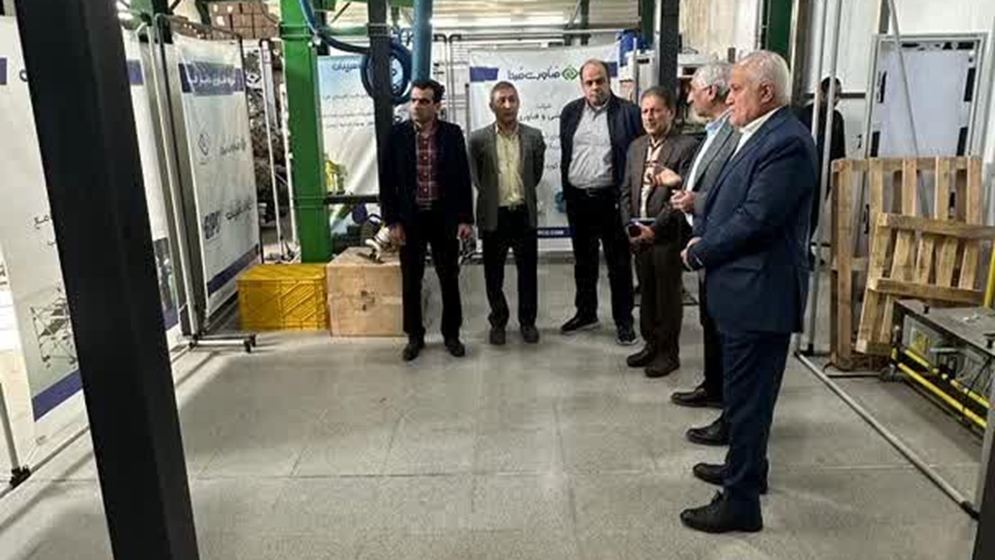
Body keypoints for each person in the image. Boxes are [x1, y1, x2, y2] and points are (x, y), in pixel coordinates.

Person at [680, 51, 817, 533]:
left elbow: (756, 219)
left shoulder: (787, 143)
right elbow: (733, 200)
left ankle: (739, 504)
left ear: (766, 92)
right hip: (745, 291)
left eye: (736, 88)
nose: (728, 96)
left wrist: (701, 251)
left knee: (750, 401)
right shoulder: (757, 133)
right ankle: (748, 471)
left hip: (761, 295)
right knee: (744, 399)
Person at [669, 62, 739, 445]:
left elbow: (733, 193)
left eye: (693, 89)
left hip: (720, 242)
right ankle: (713, 387)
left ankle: (728, 405)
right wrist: (686, 190)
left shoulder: (736, 133)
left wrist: (697, 201)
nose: (689, 96)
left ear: (710, 91)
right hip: (704, 239)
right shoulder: (713, 131)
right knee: (709, 323)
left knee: (724, 329)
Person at [381, 79, 474, 362]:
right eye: (414, 100)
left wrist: (465, 219)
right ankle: (414, 336)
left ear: (437, 105)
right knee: (411, 280)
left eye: (424, 101)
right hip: (410, 220)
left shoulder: (452, 134)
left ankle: (451, 334)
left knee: (449, 278)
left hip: (443, 217)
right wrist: (392, 221)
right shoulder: (396, 135)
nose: (417, 106)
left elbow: (462, 178)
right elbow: (387, 182)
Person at [559, 59, 643, 346]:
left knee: (619, 265)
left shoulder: (629, 113)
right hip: (578, 199)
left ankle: (624, 321)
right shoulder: (570, 112)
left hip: (612, 201)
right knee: (583, 263)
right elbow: (568, 154)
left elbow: (638, 157)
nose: (595, 87)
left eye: (600, 81)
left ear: (609, 81)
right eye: (589, 82)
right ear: (582, 85)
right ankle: (586, 313)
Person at [619, 86, 698, 378]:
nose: (649, 116)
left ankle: (668, 353)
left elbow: (681, 197)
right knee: (647, 294)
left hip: (666, 237)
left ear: (671, 113)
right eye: (645, 111)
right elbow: (625, 191)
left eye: (655, 110)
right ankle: (651, 345)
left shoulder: (686, 147)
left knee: (667, 297)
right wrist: (629, 227)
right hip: (638, 235)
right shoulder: (636, 146)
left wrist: (653, 230)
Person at [468, 81, 547, 346]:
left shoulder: (534, 136)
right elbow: (477, 177)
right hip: (494, 216)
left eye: (512, 99)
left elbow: (535, 174)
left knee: (528, 273)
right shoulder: (478, 139)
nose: (508, 105)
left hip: (523, 214)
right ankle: (498, 321)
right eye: (501, 100)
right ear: (492, 106)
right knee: (493, 274)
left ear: (518, 103)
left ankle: (527, 322)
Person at [797, 76, 846, 261]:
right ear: (822, 94)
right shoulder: (806, 114)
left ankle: (806, 249)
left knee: (815, 213)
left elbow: (840, 149)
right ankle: (798, 250)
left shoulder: (837, 119)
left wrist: (839, 172)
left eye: (839, 95)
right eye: (833, 94)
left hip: (824, 176)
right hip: (804, 173)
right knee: (801, 213)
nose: (837, 99)